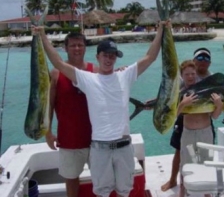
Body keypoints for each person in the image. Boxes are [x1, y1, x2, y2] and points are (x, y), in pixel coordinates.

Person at [34, 20, 169, 197]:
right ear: (97, 57)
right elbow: (58, 63)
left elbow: (150, 57)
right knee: (102, 193)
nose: (109, 59)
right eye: (105, 55)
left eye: (112, 56)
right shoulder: (88, 79)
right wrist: (42, 36)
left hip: (124, 146)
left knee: (124, 191)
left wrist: (161, 30)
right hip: (100, 149)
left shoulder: (125, 75)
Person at [45, 32, 98, 197]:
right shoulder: (55, 74)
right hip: (68, 140)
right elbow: (49, 105)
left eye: (80, 45)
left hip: (95, 139)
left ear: (85, 47)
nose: (77, 48)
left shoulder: (95, 71)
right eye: (73, 45)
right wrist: (47, 132)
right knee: (71, 180)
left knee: (100, 180)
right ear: (65, 48)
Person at [161, 48, 215, 192]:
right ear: (195, 60)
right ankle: (175, 183)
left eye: (206, 59)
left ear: (209, 62)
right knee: (180, 152)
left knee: (205, 161)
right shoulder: (181, 81)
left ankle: (203, 190)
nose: (203, 61)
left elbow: (215, 112)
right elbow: (170, 99)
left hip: (204, 123)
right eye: (200, 58)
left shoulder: (211, 78)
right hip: (184, 122)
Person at [177, 60, 224, 197]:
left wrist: (219, 106)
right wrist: (182, 104)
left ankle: (207, 194)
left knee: (206, 165)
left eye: (193, 74)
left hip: (205, 133)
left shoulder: (205, 91)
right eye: (187, 74)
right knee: (185, 166)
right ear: (182, 76)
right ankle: (182, 192)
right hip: (188, 133)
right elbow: (173, 116)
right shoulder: (180, 93)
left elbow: (214, 116)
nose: (190, 77)